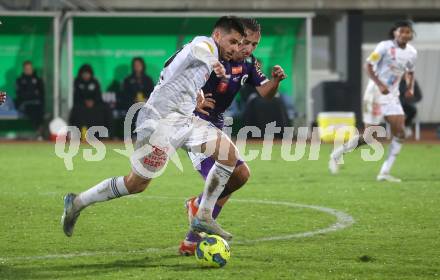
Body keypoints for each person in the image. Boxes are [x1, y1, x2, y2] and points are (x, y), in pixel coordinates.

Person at [62, 16, 246, 241]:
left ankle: (204, 215)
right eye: (233, 41)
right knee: (136, 184)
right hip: (159, 123)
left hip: (184, 121)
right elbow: (199, 50)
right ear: (217, 35)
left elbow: (177, 75)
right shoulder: (205, 45)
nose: (236, 48)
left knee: (228, 154)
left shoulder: (208, 56)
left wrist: (195, 96)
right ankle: (77, 202)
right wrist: (213, 61)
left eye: (239, 43)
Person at [179, 18, 287, 255]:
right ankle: (191, 239)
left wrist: (276, 81)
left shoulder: (249, 63)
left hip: (216, 129)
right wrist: (195, 99)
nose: (247, 48)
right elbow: (181, 77)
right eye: (244, 42)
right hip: (193, 127)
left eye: (254, 44)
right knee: (222, 181)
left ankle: (197, 207)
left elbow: (265, 93)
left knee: (240, 176)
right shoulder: (210, 56)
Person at [329, 20, 417, 182]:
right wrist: (380, 84)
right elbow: (368, 66)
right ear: (395, 32)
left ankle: (384, 172)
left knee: (400, 133)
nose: (405, 34)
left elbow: (410, 71)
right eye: (402, 31)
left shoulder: (411, 52)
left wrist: (410, 88)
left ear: (411, 34)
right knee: (370, 136)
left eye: (408, 32)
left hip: (392, 96)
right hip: (375, 94)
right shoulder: (384, 47)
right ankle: (336, 154)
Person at [15, 61, 45, 137]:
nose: (28, 70)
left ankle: (39, 130)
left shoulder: (38, 80)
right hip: (25, 104)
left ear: (32, 69)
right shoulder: (19, 80)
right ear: (23, 69)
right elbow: (21, 95)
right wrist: (34, 94)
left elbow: (41, 94)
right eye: (26, 69)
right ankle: (38, 130)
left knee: (39, 109)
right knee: (32, 109)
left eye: (30, 68)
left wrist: (31, 95)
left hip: (37, 103)